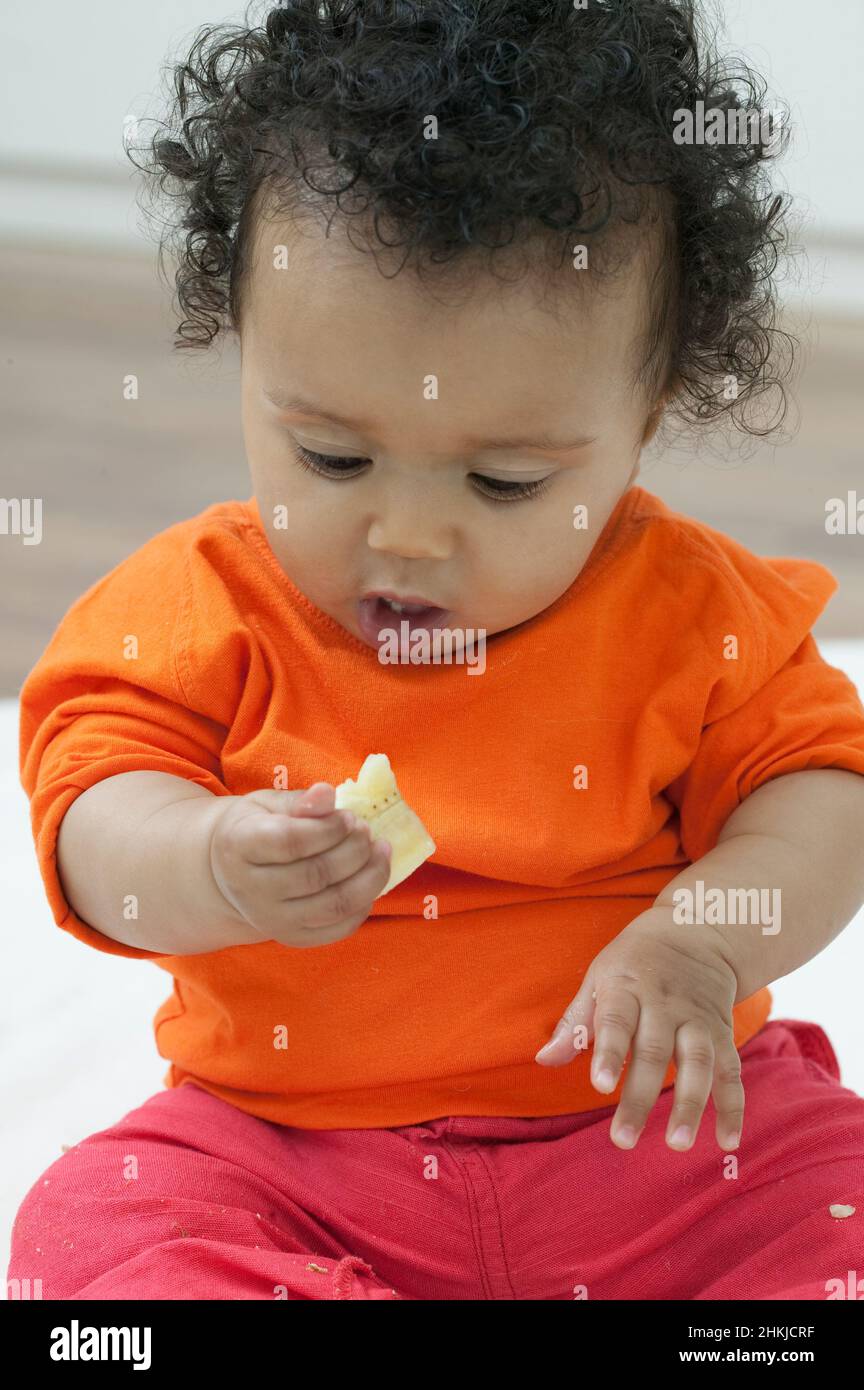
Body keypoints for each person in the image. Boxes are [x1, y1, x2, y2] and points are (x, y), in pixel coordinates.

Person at [9, 0, 864, 1300]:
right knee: (92, 1235)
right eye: (333, 457)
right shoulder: (201, 606)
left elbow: (825, 796)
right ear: (247, 357)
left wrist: (701, 940)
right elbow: (89, 816)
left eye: (507, 480)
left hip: (661, 1152)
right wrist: (204, 862)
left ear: (648, 414)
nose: (404, 537)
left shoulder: (693, 614)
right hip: (293, 1159)